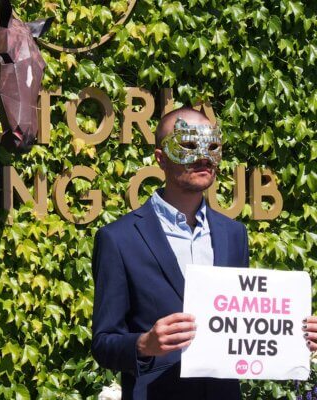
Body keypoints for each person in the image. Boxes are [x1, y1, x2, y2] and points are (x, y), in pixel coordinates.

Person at [91, 107, 317, 400]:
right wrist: (144, 344)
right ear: (161, 158)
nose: (203, 157)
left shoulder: (234, 234)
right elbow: (103, 344)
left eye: (212, 147)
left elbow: (243, 319)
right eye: (187, 145)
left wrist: (296, 332)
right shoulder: (118, 239)